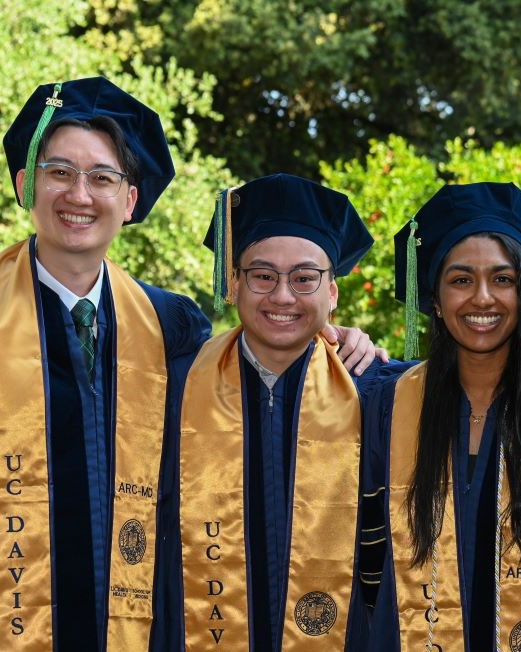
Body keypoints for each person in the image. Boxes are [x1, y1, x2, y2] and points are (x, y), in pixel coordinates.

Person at [0, 79, 376, 652]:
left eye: (102, 177)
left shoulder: (171, 329)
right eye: (58, 172)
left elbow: (249, 430)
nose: (78, 194)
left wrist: (332, 344)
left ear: (129, 201)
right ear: (24, 185)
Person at [168, 173, 394, 651]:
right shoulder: (178, 388)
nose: (283, 296)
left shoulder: (377, 395)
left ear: (332, 293)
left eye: (305, 278)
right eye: (263, 276)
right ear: (234, 284)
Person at [358, 182, 521, 651]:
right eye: (460, 280)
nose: (482, 298)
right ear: (435, 300)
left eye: (503, 279)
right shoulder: (384, 405)